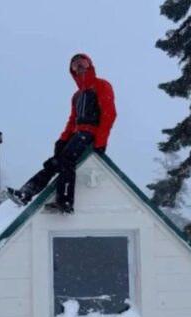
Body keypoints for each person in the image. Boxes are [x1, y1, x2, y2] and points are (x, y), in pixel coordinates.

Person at [8, 53, 116, 214]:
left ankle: (65, 202)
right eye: (75, 66)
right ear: (71, 71)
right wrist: (62, 139)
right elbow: (72, 120)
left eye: (82, 64)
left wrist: (101, 142)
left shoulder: (101, 85)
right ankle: (26, 193)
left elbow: (109, 114)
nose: (79, 68)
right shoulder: (77, 96)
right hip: (78, 134)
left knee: (66, 159)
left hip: (91, 132)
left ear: (90, 65)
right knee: (54, 162)